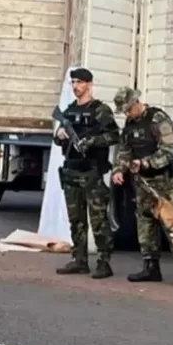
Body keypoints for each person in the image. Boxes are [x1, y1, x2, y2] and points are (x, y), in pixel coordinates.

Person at [111, 86, 173, 285]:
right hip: (143, 183)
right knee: (145, 224)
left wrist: (146, 162)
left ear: (137, 102)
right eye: (124, 111)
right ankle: (151, 267)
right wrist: (119, 170)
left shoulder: (158, 120)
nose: (127, 113)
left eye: (128, 109)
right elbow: (124, 150)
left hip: (166, 182)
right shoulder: (129, 124)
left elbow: (169, 151)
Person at [53, 67, 120, 279]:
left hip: (92, 172)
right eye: (73, 82)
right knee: (76, 219)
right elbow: (57, 138)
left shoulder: (100, 110)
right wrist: (60, 134)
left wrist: (90, 141)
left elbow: (113, 136)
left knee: (98, 219)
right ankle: (79, 259)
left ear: (89, 84)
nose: (75, 87)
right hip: (71, 171)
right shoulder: (70, 110)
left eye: (80, 83)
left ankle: (104, 262)